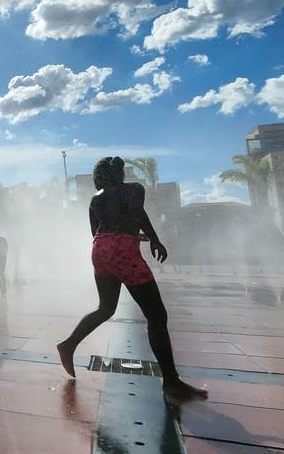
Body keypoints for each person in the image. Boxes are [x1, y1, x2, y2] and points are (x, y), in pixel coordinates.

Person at [55, 157, 207, 403]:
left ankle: (68, 344)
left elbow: (96, 232)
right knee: (156, 315)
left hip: (101, 249)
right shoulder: (135, 190)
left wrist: (124, 236)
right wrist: (153, 239)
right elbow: (139, 215)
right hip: (124, 250)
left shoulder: (96, 199)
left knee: (106, 308)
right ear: (121, 174)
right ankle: (171, 382)